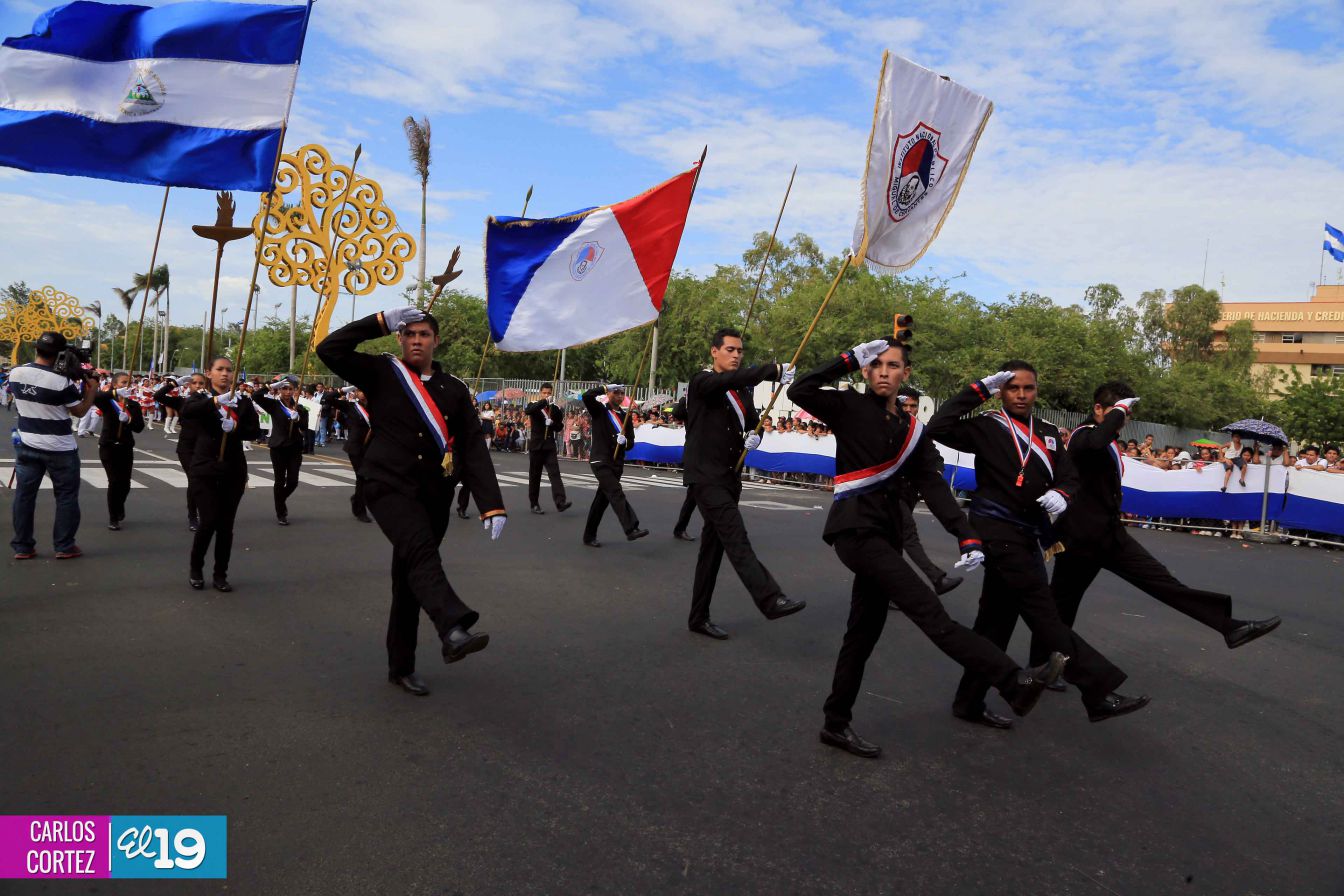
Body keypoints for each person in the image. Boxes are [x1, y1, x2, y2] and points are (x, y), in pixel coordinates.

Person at [789, 338, 1066, 757]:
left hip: (887, 535)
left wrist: (965, 533)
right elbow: (800, 390)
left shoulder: (909, 428)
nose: (883, 372)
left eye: (893, 365)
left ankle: (835, 723)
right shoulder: (847, 408)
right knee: (930, 613)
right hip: (856, 533)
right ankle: (1014, 682)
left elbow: (932, 485)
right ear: (866, 371)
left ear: (906, 374)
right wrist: (847, 359)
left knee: (862, 634)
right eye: (876, 365)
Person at [928, 361, 1149, 726]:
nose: (1021, 395)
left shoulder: (1047, 432)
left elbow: (1070, 474)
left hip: (1028, 533)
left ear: (1036, 391)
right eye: (1012, 388)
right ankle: (1097, 690)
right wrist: (979, 389)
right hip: (997, 532)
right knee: (1043, 612)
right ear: (1001, 391)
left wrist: (1063, 493)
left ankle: (969, 701)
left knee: (994, 624)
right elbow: (938, 427)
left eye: (1028, 388)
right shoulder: (987, 426)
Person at [1023, 381, 1279, 682]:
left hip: (1109, 536)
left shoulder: (1106, 441)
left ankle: (1230, 626)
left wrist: (1117, 414)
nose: (1125, 420)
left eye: (1127, 415)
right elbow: (1094, 443)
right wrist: (1118, 411)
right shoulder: (1082, 436)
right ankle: (1041, 668)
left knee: (1163, 582)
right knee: (1061, 607)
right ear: (1098, 410)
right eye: (1121, 413)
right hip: (1080, 541)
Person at [317, 305, 505, 697]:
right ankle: (453, 627)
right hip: (388, 486)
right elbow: (330, 349)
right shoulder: (382, 372)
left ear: (436, 341)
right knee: (421, 555)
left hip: (434, 493)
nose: (417, 340)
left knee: (410, 579)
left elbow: (471, 445)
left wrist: (491, 503)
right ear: (400, 340)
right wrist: (380, 320)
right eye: (409, 334)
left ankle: (401, 666)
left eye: (424, 335)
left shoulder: (453, 388)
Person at [682, 328, 804, 639]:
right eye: (730, 350)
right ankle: (770, 598)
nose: (736, 355)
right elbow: (728, 381)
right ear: (714, 352)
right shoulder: (703, 382)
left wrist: (755, 437)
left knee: (712, 550)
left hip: (729, 478)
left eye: (740, 351)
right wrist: (772, 371)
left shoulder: (742, 392)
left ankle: (698, 617)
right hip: (705, 477)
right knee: (736, 537)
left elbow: (753, 423)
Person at [9, 331, 97, 560]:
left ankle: (23, 546)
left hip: (27, 443)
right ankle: (64, 545)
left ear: (36, 348)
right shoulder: (61, 381)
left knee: (24, 496)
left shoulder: (16, 373)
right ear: (60, 353)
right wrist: (92, 390)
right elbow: (78, 410)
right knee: (66, 497)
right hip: (60, 448)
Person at [181, 357, 260, 592]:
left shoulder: (242, 402)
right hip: (205, 468)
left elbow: (254, 431)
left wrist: (235, 428)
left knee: (226, 525)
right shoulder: (200, 398)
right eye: (220, 370)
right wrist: (216, 402)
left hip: (233, 469)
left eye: (228, 370)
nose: (225, 374)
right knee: (209, 521)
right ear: (209, 373)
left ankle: (220, 574)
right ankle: (196, 567)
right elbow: (187, 412)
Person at [892, 385, 962, 600]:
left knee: (893, 544)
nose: (910, 409)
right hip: (888, 493)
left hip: (909, 493)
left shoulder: (919, 431)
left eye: (914, 406)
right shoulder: (885, 426)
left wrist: (936, 473)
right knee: (908, 535)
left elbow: (934, 457)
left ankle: (886, 591)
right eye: (906, 405)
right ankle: (936, 577)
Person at [580, 383, 647, 547]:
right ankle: (631, 528)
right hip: (600, 460)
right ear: (609, 394)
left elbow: (631, 442)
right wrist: (604, 387)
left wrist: (624, 442)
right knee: (616, 492)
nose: (619, 395)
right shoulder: (600, 410)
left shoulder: (625, 416)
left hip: (616, 463)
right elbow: (587, 396)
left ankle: (589, 536)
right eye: (616, 392)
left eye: (621, 393)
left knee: (601, 502)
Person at [252, 377, 308, 526]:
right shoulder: (274, 405)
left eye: (290, 389)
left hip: (295, 448)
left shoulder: (300, 408)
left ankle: (279, 500)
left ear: (295, 390)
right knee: (280, 480)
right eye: (284, 388)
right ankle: (281, 512)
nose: (288, 392)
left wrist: (297, 419)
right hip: (278, 447)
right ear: (280, 390)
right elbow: (255, 396)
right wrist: (270, 386)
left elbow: (305, 426)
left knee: (293, 481)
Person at [92, 372, 144, 530]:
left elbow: (139, 428)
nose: (127, 385)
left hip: (126, 446)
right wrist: (114, 394)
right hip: (109, 446)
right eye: (123, 382)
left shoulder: (134, 405)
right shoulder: (108, 401)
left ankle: (119, 505)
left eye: (129, 382)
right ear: (114, 385)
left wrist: (128, 420)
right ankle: (113, 517)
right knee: (114, 482)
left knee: (126, 484)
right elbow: (96, 397)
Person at [156, 374, 206, 531]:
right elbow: (158, 395)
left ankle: (205, 510)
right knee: (194, 478)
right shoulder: (181, 401)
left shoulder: (211, 402)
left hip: (205, 447)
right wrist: (173, 384)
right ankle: (193, 515)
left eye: (201, 383)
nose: (198, 385)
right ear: (189, 385)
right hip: (187, 447)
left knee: (204, 482)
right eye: (194, 383)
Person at [524, 383, 572, 515]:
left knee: (555, 473)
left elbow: (559, 426)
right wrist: (544, 402)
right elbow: (528, 411)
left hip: (549, 446)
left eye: (549, 393)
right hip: (536, 445)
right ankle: (534, 503)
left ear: (552, 393)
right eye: (544, 393)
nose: (547, 395)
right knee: (535, 476)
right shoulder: (534, 405)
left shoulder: (555, 409)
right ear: (540, 393)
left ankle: (560, 502)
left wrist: (552, 424)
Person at [336, 386, 373, 522]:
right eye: (360, 390)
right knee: (362, 477)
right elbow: (328, 399)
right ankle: (360, 510)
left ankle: (357, 499)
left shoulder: (375, 406)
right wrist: (343, 390)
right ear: (356, 393)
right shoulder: (351, 407)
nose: (363, 393)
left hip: (371, 447)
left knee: (370, 478)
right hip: (355, 447)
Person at [668, 396, 698, 542]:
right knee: (693, 494)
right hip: (695, 454)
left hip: (714, 455)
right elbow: (677, 413)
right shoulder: (690, 405)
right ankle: (680, 528)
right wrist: (686, 397)